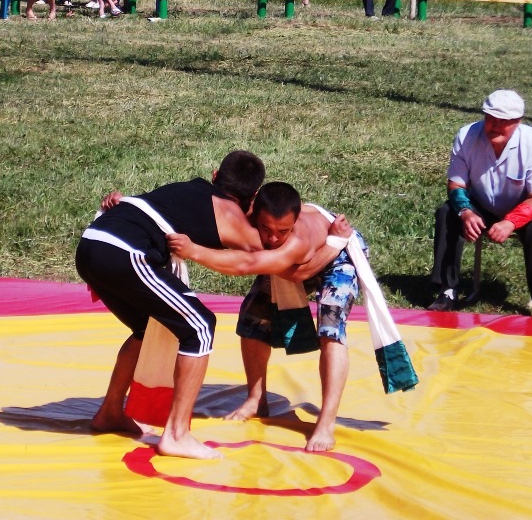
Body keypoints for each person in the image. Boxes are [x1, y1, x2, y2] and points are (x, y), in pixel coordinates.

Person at [74, 150, 268, 460]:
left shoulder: (186, 188)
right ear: (253, 196)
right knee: (201, 326)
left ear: (215, 176)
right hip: (123, 251)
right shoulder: (232, 216)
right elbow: (265, 254)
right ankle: (177, 434)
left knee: (145, 328)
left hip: (91, 244)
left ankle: (110, 412)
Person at [167, 182, 371, 453]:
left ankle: (326, 422)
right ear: (255, 215)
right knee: (254, 317)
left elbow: (291, 272)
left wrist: (335, 243)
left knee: (330, 330)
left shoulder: (300, 237)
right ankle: (256, 397)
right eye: (266, 230)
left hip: (339, 256)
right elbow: (196, 210)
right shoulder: (249, 215)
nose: (273, 238)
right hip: (298, 259)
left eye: (282, 231)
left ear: (295, 222)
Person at [429, 89, 532, 317]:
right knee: (446, 213)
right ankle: (446, 290)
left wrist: (510, 222)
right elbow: (456, 186)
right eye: (490, 119)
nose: (495, 126)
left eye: (504, 122)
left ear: (517, 122)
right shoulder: (466, 135)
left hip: (525, 204)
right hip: (480, 201)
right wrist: (466, 212)